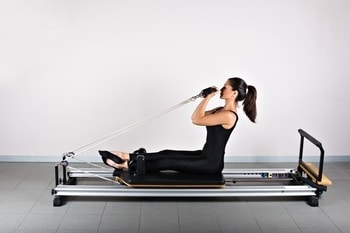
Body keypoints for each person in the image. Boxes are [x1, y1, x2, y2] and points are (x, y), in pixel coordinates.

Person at [99, 77, 257, 175]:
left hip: (210, 164)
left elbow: (197, 119)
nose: (222, 90)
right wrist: (205, 97)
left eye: (225, 87)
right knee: (167, 152)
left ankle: (125, 165)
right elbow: (196, 116)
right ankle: (127, 155)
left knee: (168, 162)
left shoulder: (228, 116)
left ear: (234, 93)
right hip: (204, 155)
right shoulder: (220, 111)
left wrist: (207, 97)